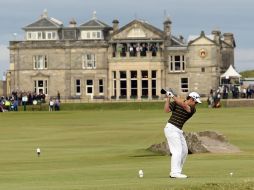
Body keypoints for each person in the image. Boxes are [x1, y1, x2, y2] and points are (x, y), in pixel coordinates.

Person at [164, 91, 201, 179]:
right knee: (177, 151)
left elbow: (184, 105)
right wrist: (168, 98)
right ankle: (175, 172)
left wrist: (173, 96)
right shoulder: (177, 102)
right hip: (171, 128)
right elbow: (166, 110)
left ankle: (177, 171)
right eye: (195, 102)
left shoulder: (192, 109)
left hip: (178, 130)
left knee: (184, 151)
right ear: (191, 99)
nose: (196, 104)